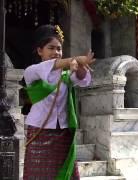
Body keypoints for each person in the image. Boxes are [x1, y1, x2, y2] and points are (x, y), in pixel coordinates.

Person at [23, 24, 95, 179]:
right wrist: (75, 59)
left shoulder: (65, 74)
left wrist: (82, 66)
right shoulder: (32, 72)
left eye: (59, 49)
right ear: (39, 50)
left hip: (63, 132)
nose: (56, 52)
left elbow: (81, 79)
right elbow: (52, 67)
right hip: (40, 131)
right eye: (51, 48)